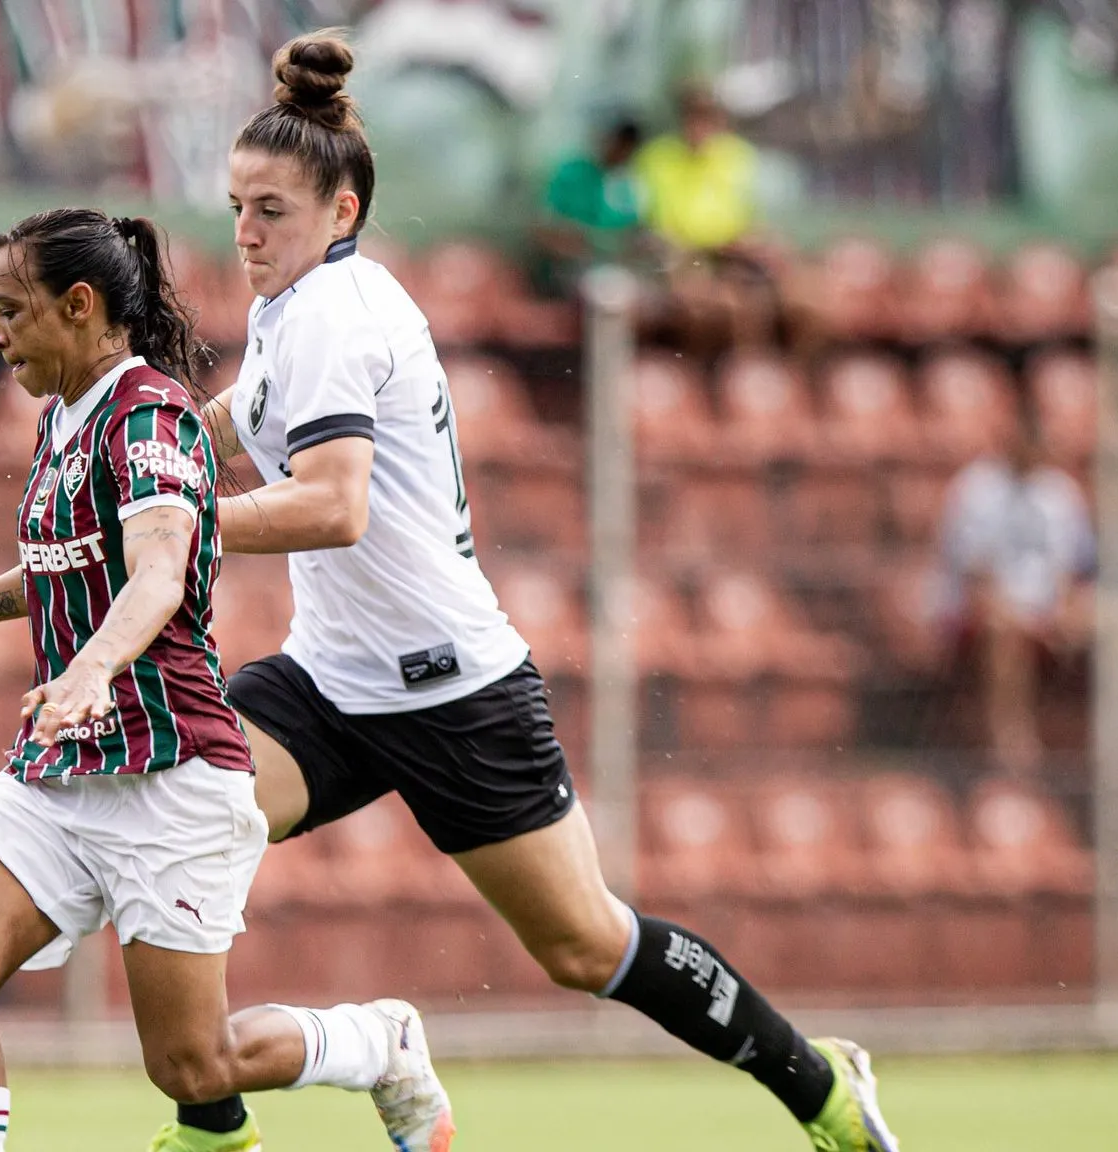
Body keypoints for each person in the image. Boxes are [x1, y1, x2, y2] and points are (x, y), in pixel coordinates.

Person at [153, 30, 899, 1152]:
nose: (245, 233)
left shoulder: (339, 313)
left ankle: (820, 1083)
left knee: (583, 946)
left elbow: (332, 506)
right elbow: (238, 417)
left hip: (454, 690)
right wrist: (143, 458)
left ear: (342, 212)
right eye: (235, 208)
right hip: (331, 683)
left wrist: (175, 527)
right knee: (178, 825)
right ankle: (224, 1118)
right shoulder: (292, 304)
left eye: (269, 210)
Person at [0, 208, 451, 1152]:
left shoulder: (150, 417)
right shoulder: (64, 419)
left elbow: (159, 570)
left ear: (79, 305)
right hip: (62, 768)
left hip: (171, 773)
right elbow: (65, 564)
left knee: (193, 1067)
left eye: (11, 310)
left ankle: (377, 1040)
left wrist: (93, 666)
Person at [937, 420, 1095, 776]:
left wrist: (1064, 610)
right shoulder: (976, 488)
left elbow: (1074, 571)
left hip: (1048, 609)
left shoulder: (1061, 492)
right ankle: (1012, 743)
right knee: (1004, 632)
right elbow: (975, 579)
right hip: (990, 610)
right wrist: (1020, 615)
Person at [630, 84, 780, 351]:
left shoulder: (739, 158)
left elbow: (753, 222)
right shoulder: (656, 159)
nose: (700, 125)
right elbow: (649, 224)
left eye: (708, 116)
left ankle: (743, 365)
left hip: (729, 259)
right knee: (697, 302)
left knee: (747, 304)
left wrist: (746, 242)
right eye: (694, 116)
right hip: (675, 261)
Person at [533, 117, 647, 290]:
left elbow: (630, 235)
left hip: (610, 270)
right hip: (565, 267)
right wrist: (575, 245)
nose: (621, 153)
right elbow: (543, 227)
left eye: (627, 149)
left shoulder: (630, 186)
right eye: (618, 144)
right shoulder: (571, 173)